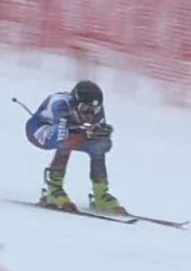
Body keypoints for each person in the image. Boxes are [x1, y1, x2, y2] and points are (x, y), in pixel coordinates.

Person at [25, 80, 124, 213]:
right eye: (85, 109)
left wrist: (102, 132)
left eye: (94, 110)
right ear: (75, 103)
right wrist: (87, 131)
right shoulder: (60, 104)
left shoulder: (97, 110)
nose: (90, 114)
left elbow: (97, 133)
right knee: (67, 138)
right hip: (40, 129)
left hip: (68, 131)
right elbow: (62, 131)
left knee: (100, 145)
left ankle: (100, 193)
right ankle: (54, 188)